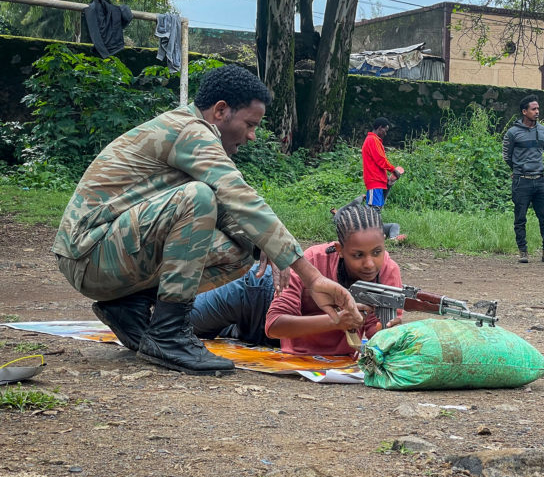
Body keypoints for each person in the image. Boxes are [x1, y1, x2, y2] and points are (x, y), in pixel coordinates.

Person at [52, 65, 362, 375]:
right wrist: (311, 276)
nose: (253, 136)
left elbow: (229, 209)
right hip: (88, 253)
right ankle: (169, 335)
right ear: (220, 111)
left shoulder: (192, 136)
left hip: (108, 256)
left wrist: (264, 244)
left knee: (242, 250)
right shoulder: (189, 130)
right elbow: (238, 196)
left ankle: (128, 307)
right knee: (197, 197)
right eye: (250, 124)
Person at [189, 205, 402, 356]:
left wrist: (389, 333)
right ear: (339, 250)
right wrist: (337, 320)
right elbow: (274, 323)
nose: (370, 264)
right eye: (358, 255)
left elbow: (375, 332)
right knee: (179, 327)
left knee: (227, 335)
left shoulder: (388, 272)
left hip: (276, 338)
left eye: (377, 252)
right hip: (256, 293)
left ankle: (235, 329)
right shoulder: (314, 260)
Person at [503, 95, 544, 264]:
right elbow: (507, 156)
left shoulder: (543, 131)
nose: (537, 112)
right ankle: (523, 252)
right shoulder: (513, 133)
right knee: (520, 217)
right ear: (524, 111)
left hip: (540, 180)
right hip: (521, 180)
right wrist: (518, 169)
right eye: (533, 109)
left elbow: (540, 150)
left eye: (538, 109)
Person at [362, 117, 404, 210]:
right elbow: (381, 160)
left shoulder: (374, 140)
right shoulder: (372, 140)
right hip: (374, 180)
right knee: (373, 210)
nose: (386, 133)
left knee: (376, 209)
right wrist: (394, 170)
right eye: (385, 130)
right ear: (380, 127)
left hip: (378, 181)